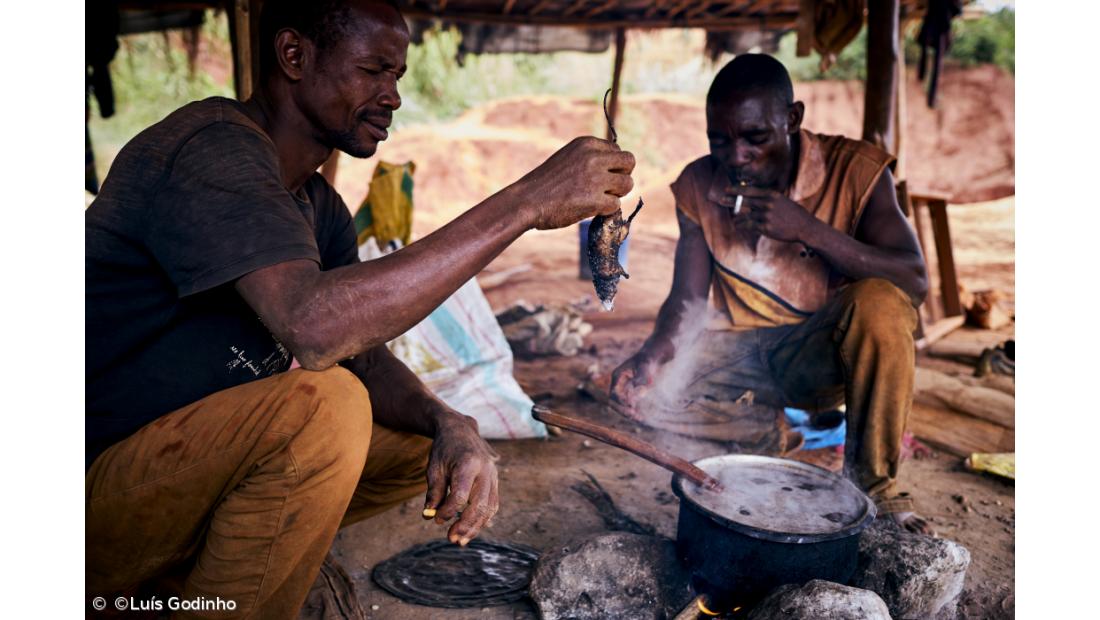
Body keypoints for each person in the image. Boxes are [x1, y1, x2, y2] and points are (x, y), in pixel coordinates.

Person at [85, 0, 635, 615]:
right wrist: (526, 202)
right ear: (295, 56)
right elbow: (315, 329)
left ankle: (204, 572)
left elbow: (363, 361)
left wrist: (449, 421)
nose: (392, 95)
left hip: (185, 472)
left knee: (419, 446)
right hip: (93, 491)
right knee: (325, 409)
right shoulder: (212, 148)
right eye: (373, 69)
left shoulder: (318, 207)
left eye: (396, 76)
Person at [610, 54, 932, 535]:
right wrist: (654, 354)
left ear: (793, 119)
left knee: (881, 304)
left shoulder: (856, 170)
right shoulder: (698, 186)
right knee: (647, 400)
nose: (736, 156)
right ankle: (763, 432)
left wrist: (808, 230)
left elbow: (914, 279)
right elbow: (687, 301)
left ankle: (873, 491)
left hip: (821, 357)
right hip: (742, 355)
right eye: (720, 140)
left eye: (755, 138)